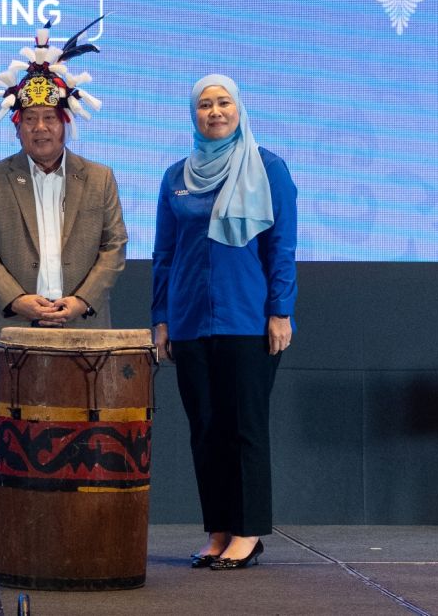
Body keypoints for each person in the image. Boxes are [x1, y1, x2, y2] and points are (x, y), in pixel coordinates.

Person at [152, 74, 297, 571]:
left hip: (247, 319)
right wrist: (162, 320)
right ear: (193, 115)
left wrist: (281, 310)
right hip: (190, 322)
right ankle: (217, 529)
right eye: (204, 105)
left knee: (245, 429)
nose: (214, 112)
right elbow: (164, 255)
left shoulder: (269, 168)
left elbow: (282, 247)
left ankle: (248, 533)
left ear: (239, 109)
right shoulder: (177, 176)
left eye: (223, 103)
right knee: (205, 429)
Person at [0, 18, 127, 362]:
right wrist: (17, 299)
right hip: (14, 331)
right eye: (29, 119)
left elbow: (114, 247)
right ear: (17, 126)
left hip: (84, 330)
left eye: (49, 118)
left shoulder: (100, 178)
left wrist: (81, 301)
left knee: (86, 419)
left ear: (65, 122)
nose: (40, 128)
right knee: (14, 419)